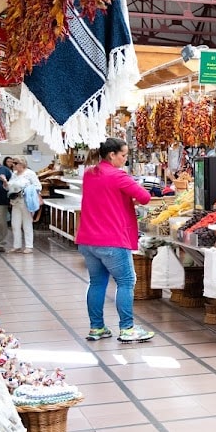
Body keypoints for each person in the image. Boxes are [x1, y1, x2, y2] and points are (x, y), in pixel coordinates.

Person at [75, 137, 154, 343]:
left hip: (88, 239)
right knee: (126, 282)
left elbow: (106, 196)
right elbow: (145, 197)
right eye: (124, 155)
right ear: (112, 155)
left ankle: (97, 328)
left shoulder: (89, 174)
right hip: (112, 239)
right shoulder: (118, 176)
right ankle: (127, 329)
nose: (125, 160)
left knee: (96, 283)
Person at [3, 156, 40, 254]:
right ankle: (17, 246)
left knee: (27, 224)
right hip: (15, 202)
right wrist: (5, 183)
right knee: (15, 224)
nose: (13, 165)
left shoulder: (30, 173)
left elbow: (38, 186)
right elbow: (9, 187)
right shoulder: (14, 174)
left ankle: (29, 246)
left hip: (26, 201)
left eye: (15, 163)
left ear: (21, 164)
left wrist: (27, 189)